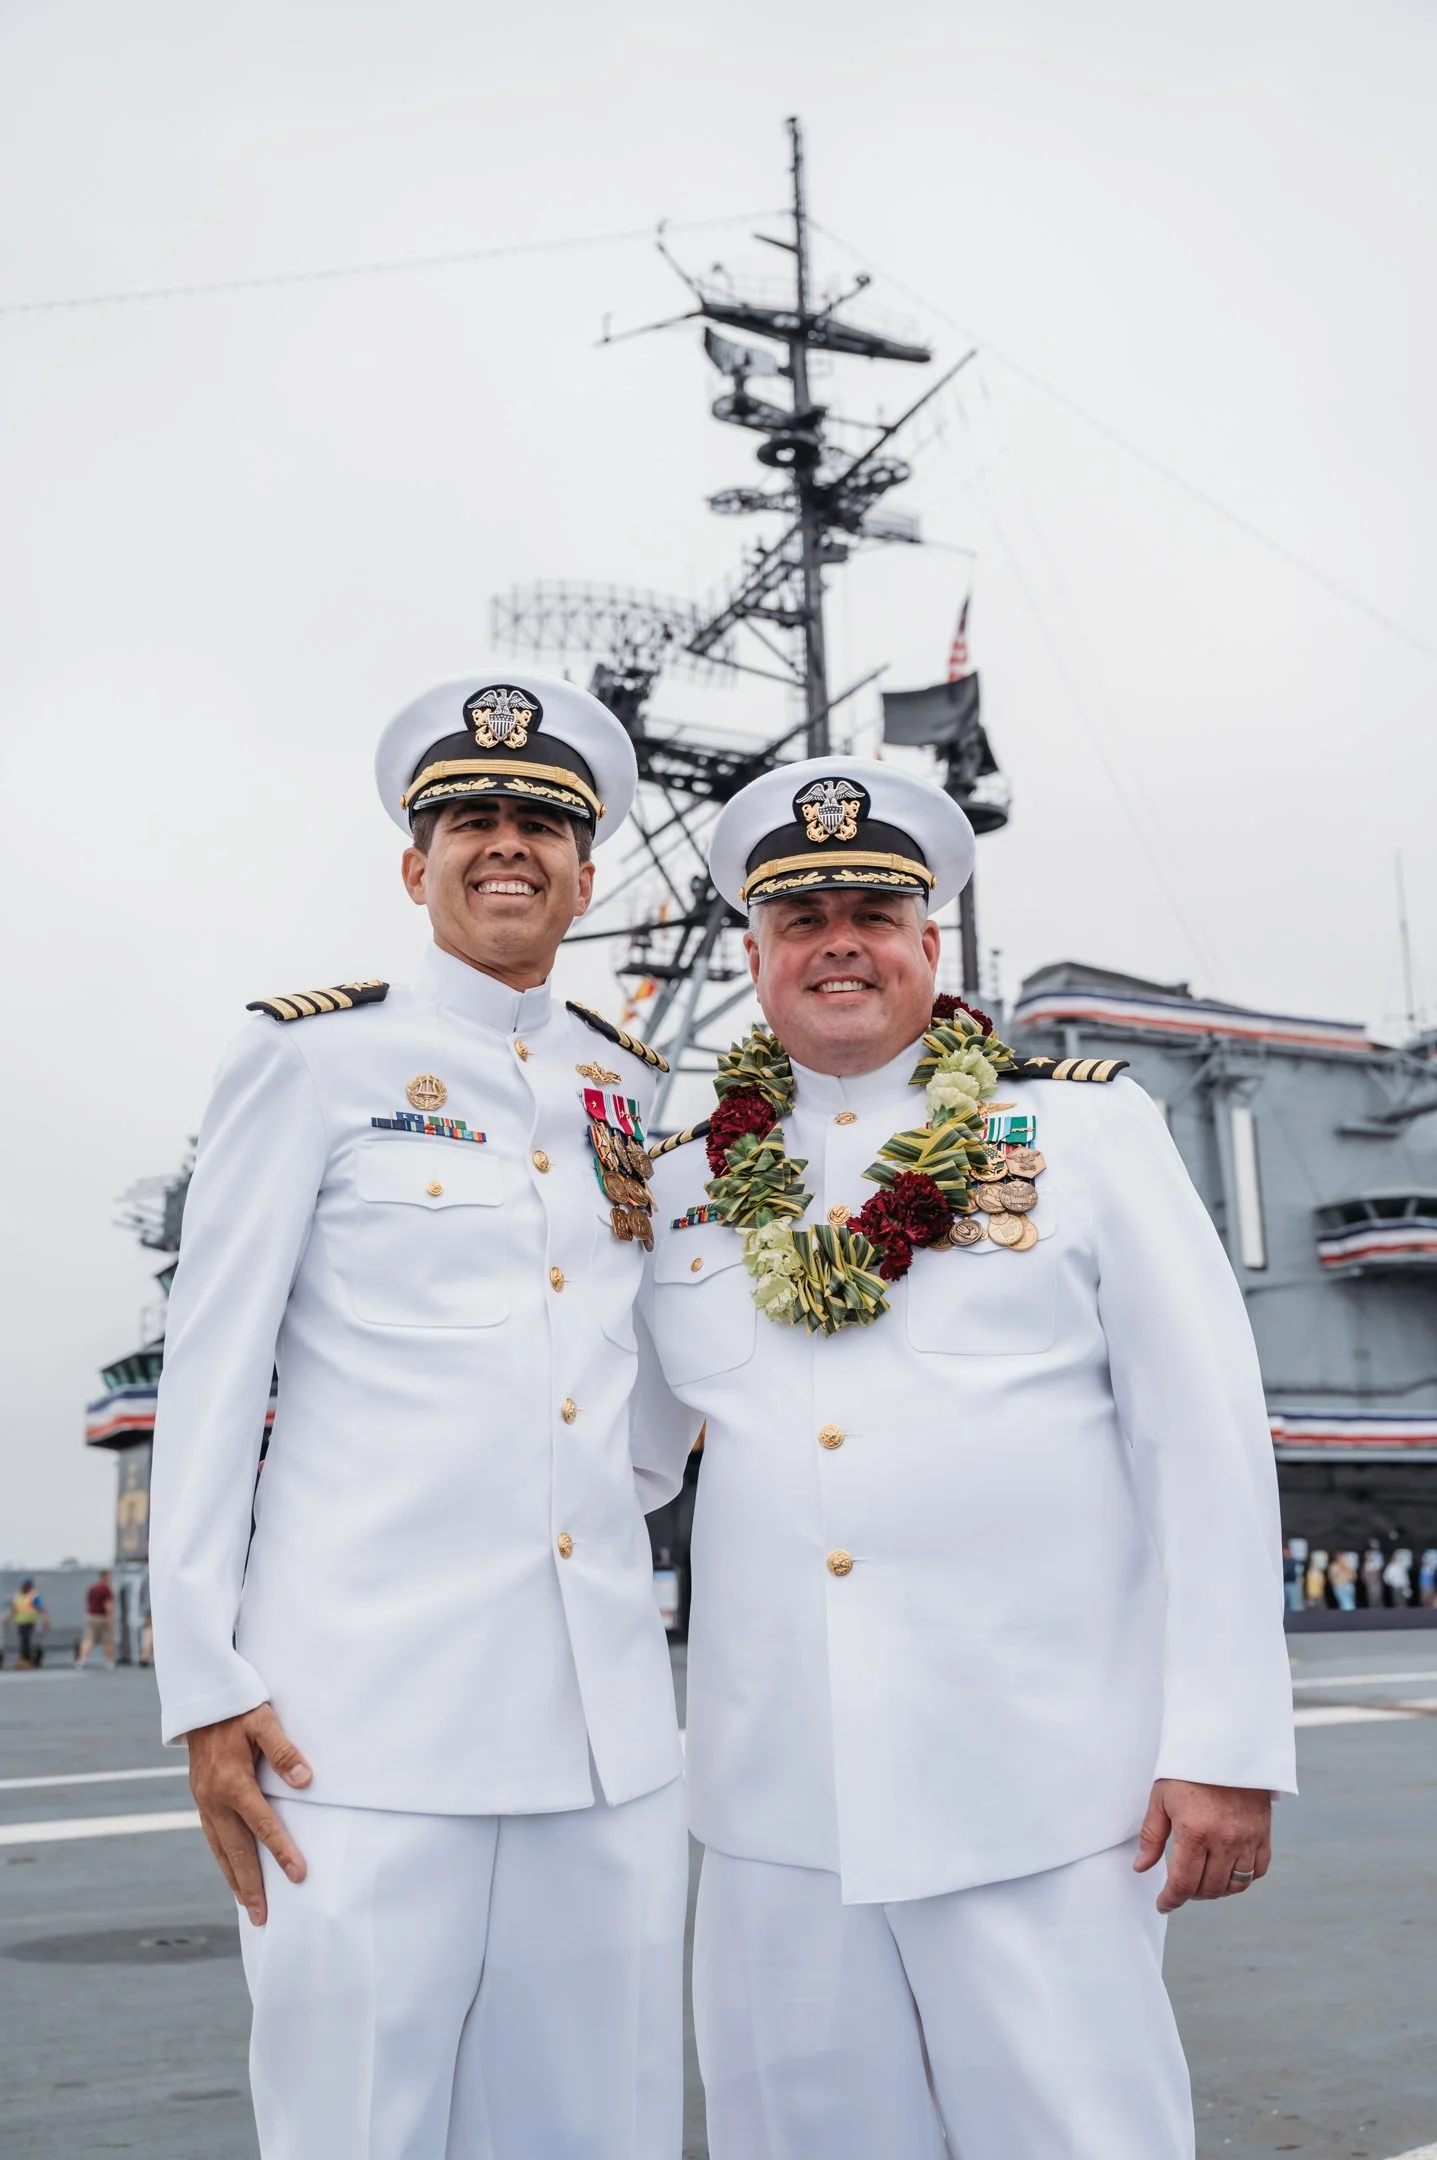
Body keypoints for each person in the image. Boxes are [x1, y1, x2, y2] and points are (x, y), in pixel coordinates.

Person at [636, 755, 1296, 2160]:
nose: (839, 943)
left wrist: (1225, 1748)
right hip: (776, 1802)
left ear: (930, 944)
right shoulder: (684, 1184)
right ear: (755, 955)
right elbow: (605, 1464)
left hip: (1044, 1790)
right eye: (801, 917)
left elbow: (1204, 1444)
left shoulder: (1083, 1129)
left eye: (872, 912)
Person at [150, 667, 688, 2160]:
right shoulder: (307, 1058)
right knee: (357, 2131)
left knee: (599, 2128)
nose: (503, 841)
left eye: (540, 822)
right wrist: (203, 1681)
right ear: (415, 864)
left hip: (604, 1744)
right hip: (359, 1734)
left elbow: (647, 1404)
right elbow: (214, 1371)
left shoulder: (634, 1093)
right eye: (470, 818)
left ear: (586, 874)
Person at [76, 1568, 117, 1671]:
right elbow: (108, 1604)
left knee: (88, 1639)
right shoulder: (106, 1589)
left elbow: (88, 1602)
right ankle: (110, 1662)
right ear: (106, 1576)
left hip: (91, 1617)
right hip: (102, 1618)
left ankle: (82, 1661)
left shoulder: (92, 1588)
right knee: (108, 1641)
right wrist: (111, 1617)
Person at [7, 1579, 49, 1669]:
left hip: (30, 1622)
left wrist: (45, 1620)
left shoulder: (34, 1596)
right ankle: (24, 1659)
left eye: (26, 1585)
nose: (24, 1587)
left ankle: (29, 1659)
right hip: (20, 1622)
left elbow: (42, 1609)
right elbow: (14, 1610)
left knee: (28, 1641)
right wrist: (6, 1620)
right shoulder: (17, 1596)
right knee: (23, 1641)